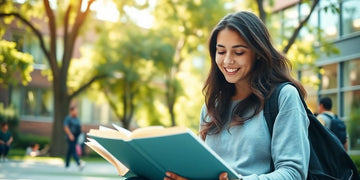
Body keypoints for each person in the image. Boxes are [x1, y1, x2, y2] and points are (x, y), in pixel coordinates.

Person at [164, 11, 310, 180]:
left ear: (258, 53)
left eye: (238, 52)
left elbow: (293, 173)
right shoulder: (211, 107)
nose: (227, 61)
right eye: (220, 51)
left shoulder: (284, 97)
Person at [64, 106, 85, 170]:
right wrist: (70, 135)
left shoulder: (77, 118)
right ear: (71, 111)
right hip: (70, 137)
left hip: (76, 137)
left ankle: (67, 165)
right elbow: (66, 127)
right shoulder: (68, 118)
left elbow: (80, 126)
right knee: (73, 150)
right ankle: (79, 163)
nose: (76, 112)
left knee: (69, 151)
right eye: (75, 111)